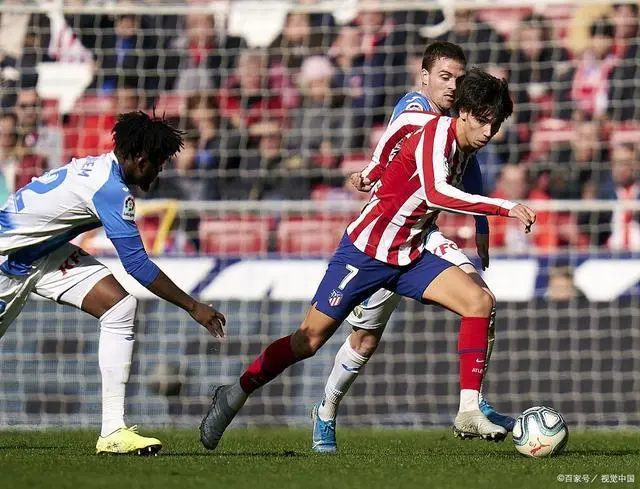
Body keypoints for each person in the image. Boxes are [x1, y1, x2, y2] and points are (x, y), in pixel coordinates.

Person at [199, 68, 536, 451]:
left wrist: (481, 225)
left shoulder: (466, 149)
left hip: (410, 254)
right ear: (463, 113)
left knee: (479, 302)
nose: (489, 132)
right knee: (307, 341)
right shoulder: (435, 135)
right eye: (483, 121)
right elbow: (437, 194)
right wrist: (505, 207)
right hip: (365, 252)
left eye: (496, 124)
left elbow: (459, 178)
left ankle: (469, 410)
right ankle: (234, 393)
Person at [310, 41, 516, 453]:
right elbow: (411, 156)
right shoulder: (415, 109)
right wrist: (370, 172)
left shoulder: (459, 121)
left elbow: (470, 166)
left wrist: (480, 225)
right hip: (386, 235)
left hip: (424, 235)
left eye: (459, 79)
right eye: (445, 77)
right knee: (364, 341)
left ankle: (471, 402)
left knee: (481, 299)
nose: (453, 86)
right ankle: (326, 410)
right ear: (425, 77)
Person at [0, 111, 226, 455]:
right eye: (158, 164)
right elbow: (137, 266)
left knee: (119, 307)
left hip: (42, 253)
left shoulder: (96, 167)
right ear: (140, 160)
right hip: (8, 261)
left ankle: (113, 432)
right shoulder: (111, 191)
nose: (159, 171)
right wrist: (194, 306)